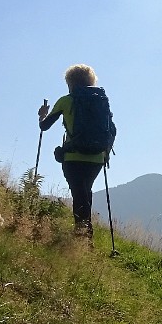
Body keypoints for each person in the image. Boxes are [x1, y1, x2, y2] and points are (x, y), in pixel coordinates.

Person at [38, 64, 114, 237]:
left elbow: (44, 126)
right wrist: (105, 152)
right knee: (85, 192)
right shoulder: (102, 101)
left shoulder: (66, 100)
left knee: (79, 194)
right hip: (96, 158)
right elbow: (112, 130)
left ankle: (84, 237)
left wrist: (42, 114)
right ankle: (84, 235)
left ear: (70, 82)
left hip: (73, 156)